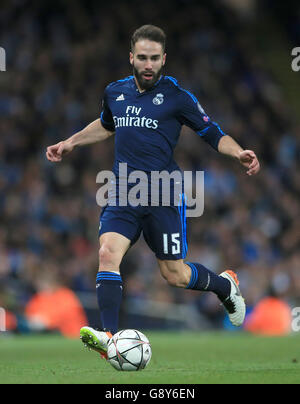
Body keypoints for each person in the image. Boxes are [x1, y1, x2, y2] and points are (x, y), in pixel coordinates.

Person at [46, 25, 260, 360]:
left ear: (164, 60)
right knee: (107, 253)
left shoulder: (178, 97)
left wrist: (238, 152)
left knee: (174, 274)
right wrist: (70, 142)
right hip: (123, 191)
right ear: (132, 58)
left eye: (155, 58)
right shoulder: (114, 92)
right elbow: (105, 125)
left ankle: (224, 286)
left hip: (163, 193)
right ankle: (109, 337)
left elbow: (211, 131)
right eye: (142, 57)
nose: (148, 64)